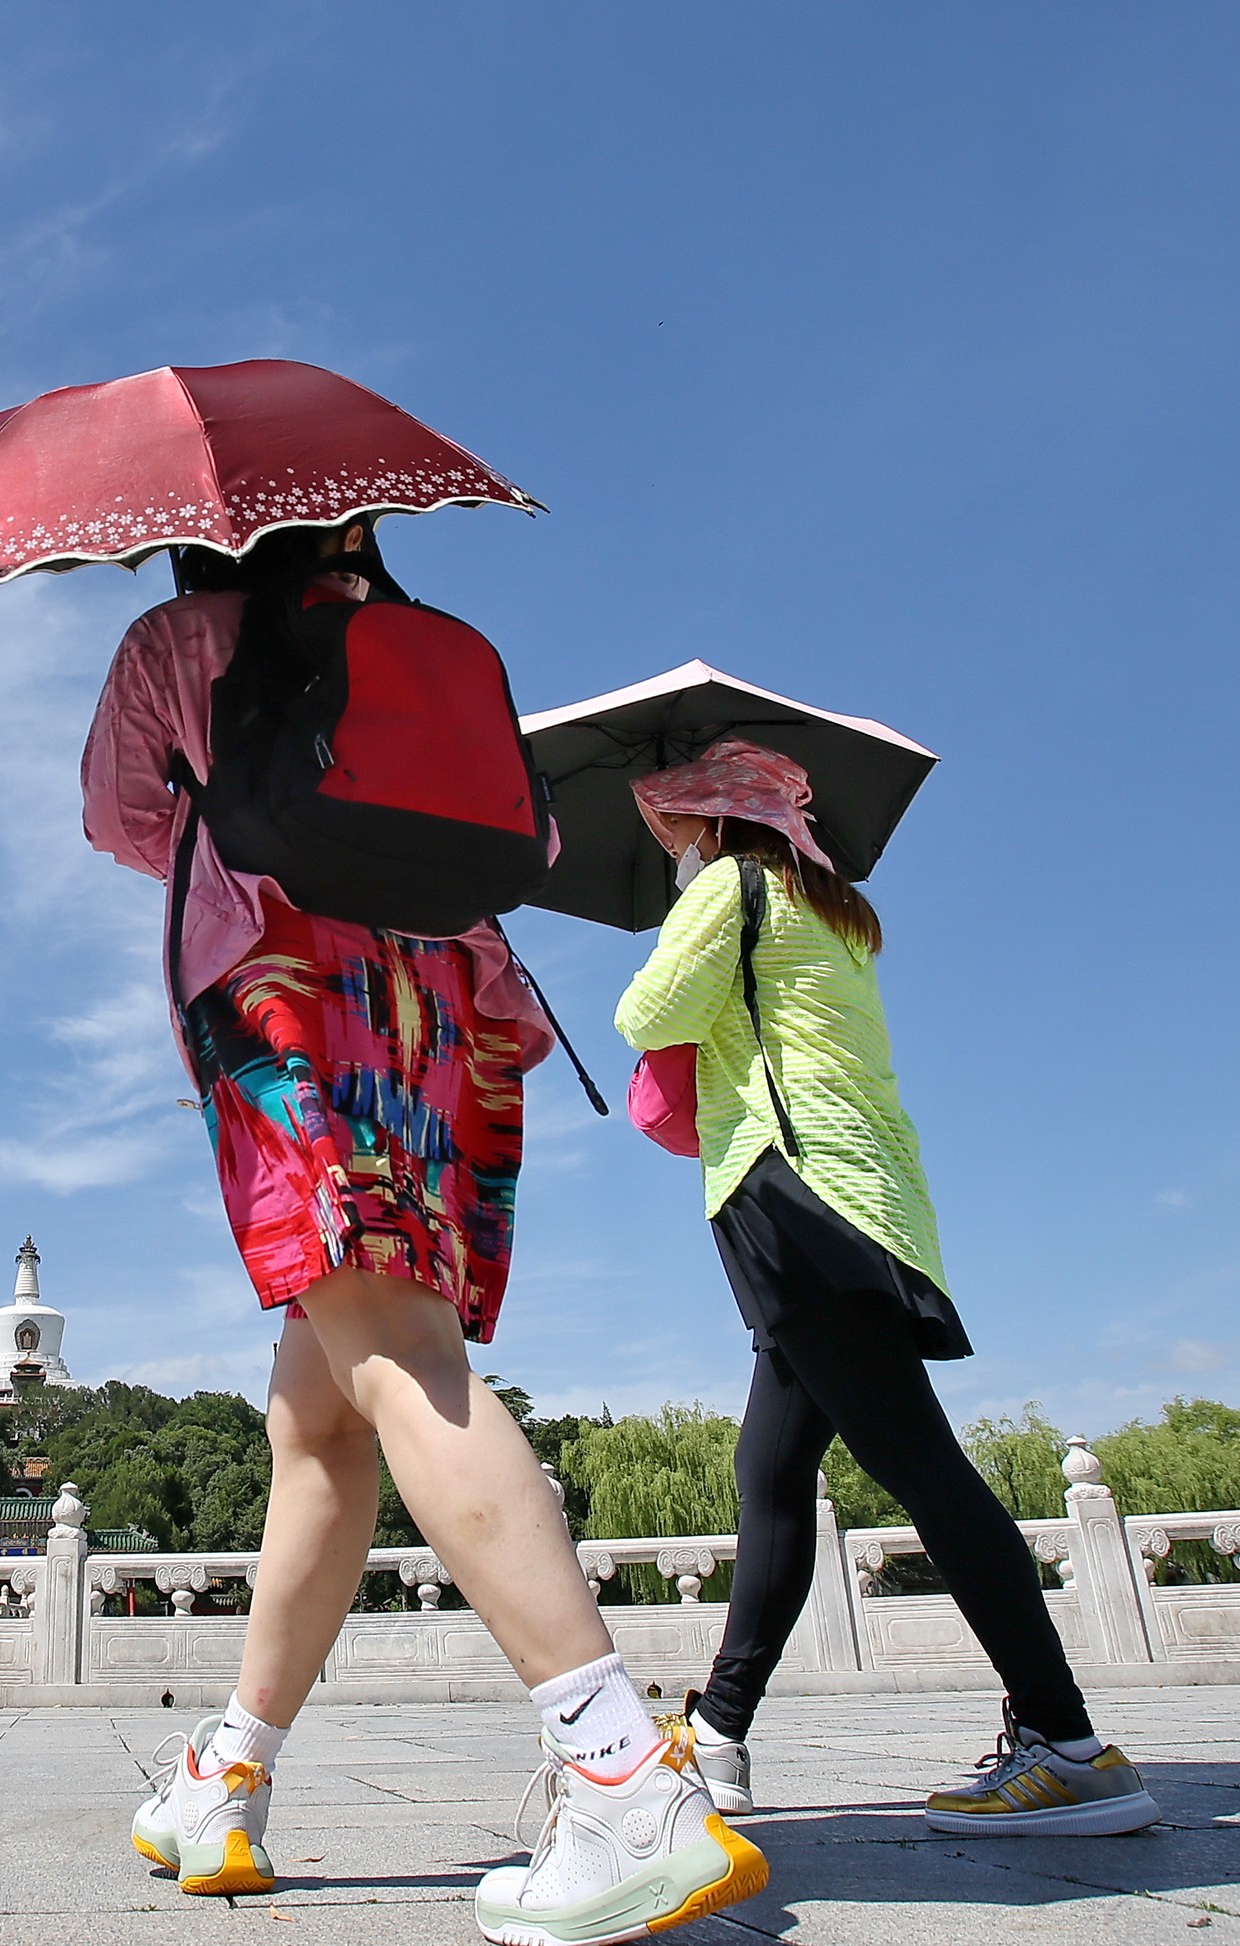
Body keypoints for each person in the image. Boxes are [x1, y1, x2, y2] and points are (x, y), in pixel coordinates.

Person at [83, 521, 767, 1941]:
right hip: (442, 1024)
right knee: (320, 1420)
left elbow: (126, 823)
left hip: (287, 1004)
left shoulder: (175, 648)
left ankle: (623, 1775)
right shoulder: (422, 649)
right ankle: (230, 1775)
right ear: (353, 522)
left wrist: (244, 807)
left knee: (398, 1358)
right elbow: (537, 834)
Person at [613, 737, 1160, 1836]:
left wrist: (687, 894)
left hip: (792, 1189)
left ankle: (1066, 1743)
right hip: (861, 1195)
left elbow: (651, 1014)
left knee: (917, 1461)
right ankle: (717, 1736)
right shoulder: (834, 905)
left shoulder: (732, 883)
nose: (665, 840)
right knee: (768, 1469)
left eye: (671, 822)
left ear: (712, 823)